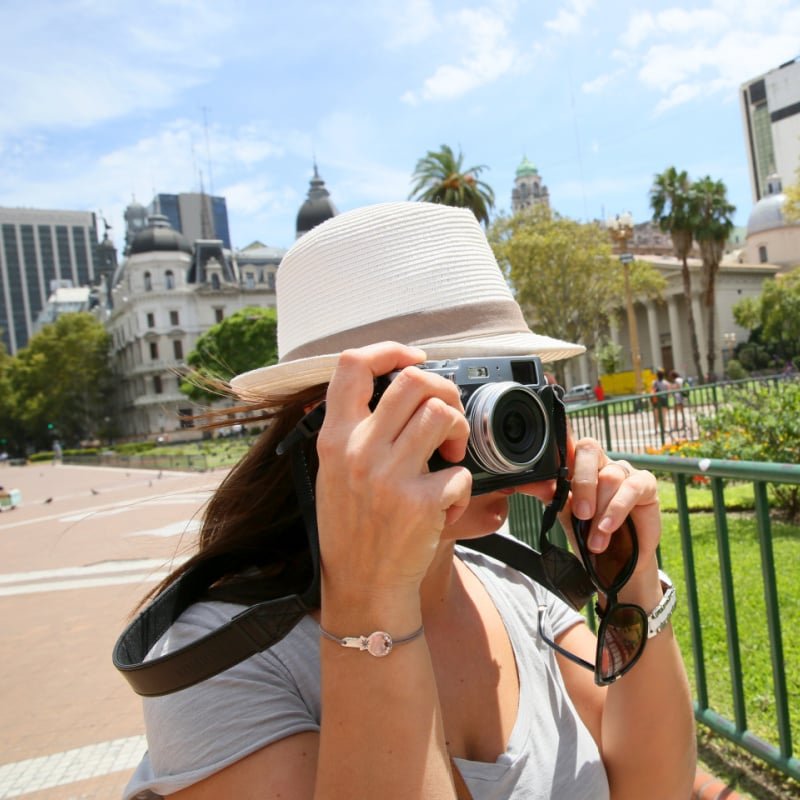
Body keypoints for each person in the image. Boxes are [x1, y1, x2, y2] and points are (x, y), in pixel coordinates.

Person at [120, 202, 696, 800]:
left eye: (509, 381)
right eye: (449, 391)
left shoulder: (514, 590)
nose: (495, 420)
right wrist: (371, 600)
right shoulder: (215, 664)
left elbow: (658, 790)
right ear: (329, 427)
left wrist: (632, 583)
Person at [650, 368, 669, 434]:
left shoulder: (654, 382)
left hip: (656, 400)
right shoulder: (666, 383)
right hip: (664, 399)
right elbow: (668, 393)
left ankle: (656, 430)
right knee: (664, 415)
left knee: (656, 416)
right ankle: (663, 429)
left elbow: (652, 392)